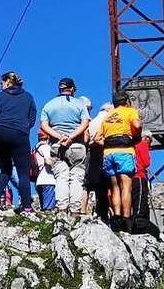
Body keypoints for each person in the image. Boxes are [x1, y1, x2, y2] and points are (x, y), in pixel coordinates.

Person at [40, 78, 91, 214]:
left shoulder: (49, 105)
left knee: (61, 176)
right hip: (77, 145)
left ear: (60, 89)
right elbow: (85, 123)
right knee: (76, 177)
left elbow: (44, 125)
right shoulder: (79, 104)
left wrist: (59, 136)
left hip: (57, 145)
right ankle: (75, 209)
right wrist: (71, 136)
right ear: (73, 89)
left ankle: (62, 208)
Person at [0, 71, 37, 215]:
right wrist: (22, 128)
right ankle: (26, 207)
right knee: (23, 172)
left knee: (5, 168)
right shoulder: (28, 97)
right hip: (19, 133)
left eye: (1, 83)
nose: (1, 86)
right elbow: (32, 119)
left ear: (7, 82)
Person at [94, 90, 140, 231]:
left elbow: (96, 138)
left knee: (114, 187)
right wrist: (136, 137)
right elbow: (137, 125)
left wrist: (108, 144)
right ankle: (127, 220)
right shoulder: (130, 111)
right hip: (124, 151)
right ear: (126, 101)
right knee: (126, 186)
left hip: (108, 153)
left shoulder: (107, 116)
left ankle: (116, 218)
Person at [83, 102, 113, 220]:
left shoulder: (93, 121)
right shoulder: (107, 120)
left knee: (91, 185)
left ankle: (85, 210)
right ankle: (104, 213)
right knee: (106, 185)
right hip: (104, 153)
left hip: (91, 154)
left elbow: (87, 139)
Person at [131, 129, 156, 235]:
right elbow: (146, 162)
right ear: (146, 138)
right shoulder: (143, 144)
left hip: (131, 177)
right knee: (141, 200)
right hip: (140, 176)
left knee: (135, 200)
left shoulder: (134, 145)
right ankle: (140, 223)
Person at [34, 131, 56, 211]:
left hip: (39, 181)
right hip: (48, 180)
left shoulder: (36, 149)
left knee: (43, 208)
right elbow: (47, 161)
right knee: (48, 210)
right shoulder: (46, 147)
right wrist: (56, 168)